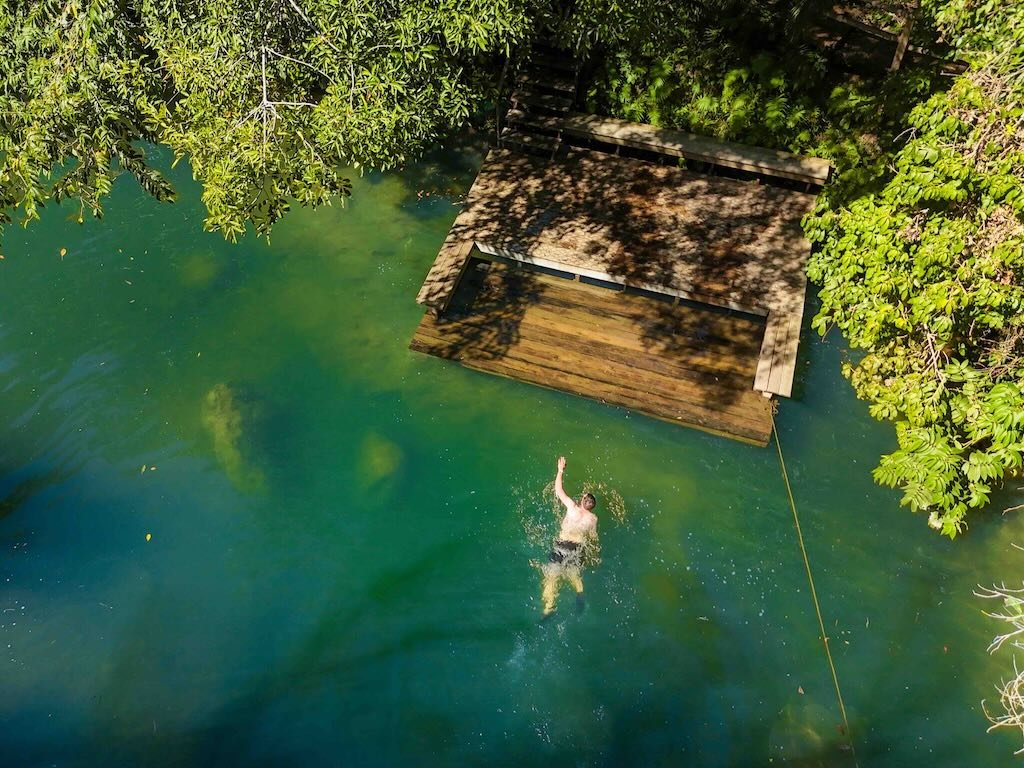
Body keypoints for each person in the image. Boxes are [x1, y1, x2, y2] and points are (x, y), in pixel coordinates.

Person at [540, 456, 598, 619]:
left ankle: (549, 607)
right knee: (574, 573)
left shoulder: (572, 507)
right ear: (592, 507)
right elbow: (592, 537)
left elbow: (558, 491)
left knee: (551, 576)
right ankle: (579, 591)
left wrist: (560, 471)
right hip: (578, 548)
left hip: (562, 545)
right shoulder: (593, 519)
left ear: (582, 501)